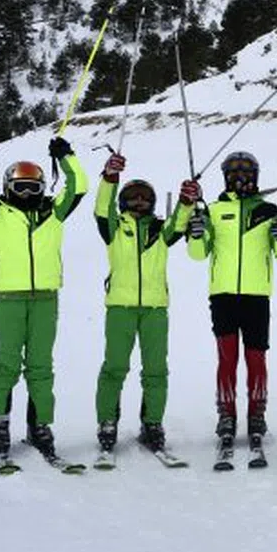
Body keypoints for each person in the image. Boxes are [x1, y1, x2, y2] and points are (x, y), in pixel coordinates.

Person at [0, 124, 87, 461]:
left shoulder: (53, 213)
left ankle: (39, 426)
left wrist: (66, 157)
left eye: (33, 188)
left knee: (41, 366)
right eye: (20, 187)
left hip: (46, 299)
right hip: (9, 300)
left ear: (43, 188)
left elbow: (80, 187)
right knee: (6, 363)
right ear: (8, 187)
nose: (27, 194)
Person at [184, 151, 277, 453]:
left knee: (256, 359)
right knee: (227, 358)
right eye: (233, 172)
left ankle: (257, 414)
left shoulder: (269, 210)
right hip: (223, 297)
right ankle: (226, 415)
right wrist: (196, 231)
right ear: (225, 177)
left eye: (246, 172)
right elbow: (197, 253)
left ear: (256, 176)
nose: (240, 177)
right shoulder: (215, 210)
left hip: (257, 297)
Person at [92, 152, 190, 456]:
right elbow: (100, 208)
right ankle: (107, 422)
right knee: (115, 368)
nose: (138, 202)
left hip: (155, 309)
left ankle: (152, 424)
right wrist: (110, 178)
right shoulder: (114, 229)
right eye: (132, 198)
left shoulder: (161, 231)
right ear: (122, 203)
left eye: (144, 198)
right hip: (120, 308)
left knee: (156, 371)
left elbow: (180, 223)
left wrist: (187, 201)